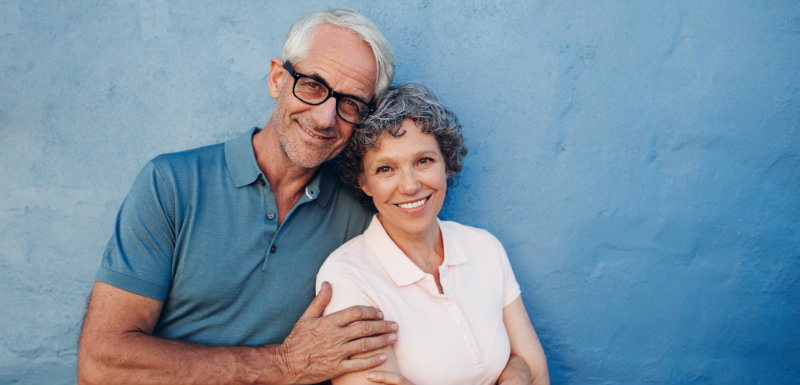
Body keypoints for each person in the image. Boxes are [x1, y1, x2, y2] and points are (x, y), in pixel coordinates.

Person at [78, 8, 531, 385]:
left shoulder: (366, 202)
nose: (325, 117)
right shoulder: (172, 184)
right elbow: (100, 363)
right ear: (277, 78)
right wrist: (282, 364)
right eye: (312, 85)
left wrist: (513, 367)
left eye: (351, 102)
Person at [316, 83, 550, 385]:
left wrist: (520, 368)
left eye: (423, 161)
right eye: (386, 169)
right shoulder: (347, 278)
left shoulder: (483, 247)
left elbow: (538, 372)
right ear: (364, 182)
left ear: (446, 164)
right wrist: (517, 372)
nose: (410, 185)